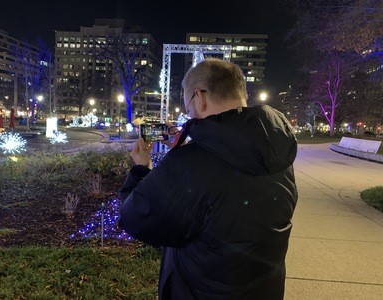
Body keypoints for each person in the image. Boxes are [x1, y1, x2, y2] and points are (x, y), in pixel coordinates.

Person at [119, 58, 298, 300]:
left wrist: (141, 168)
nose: (189, 113)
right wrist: (195, 146)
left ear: (199, 97)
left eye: (188, 106)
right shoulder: (277, 152)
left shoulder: (188, 164)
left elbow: (136, 218)